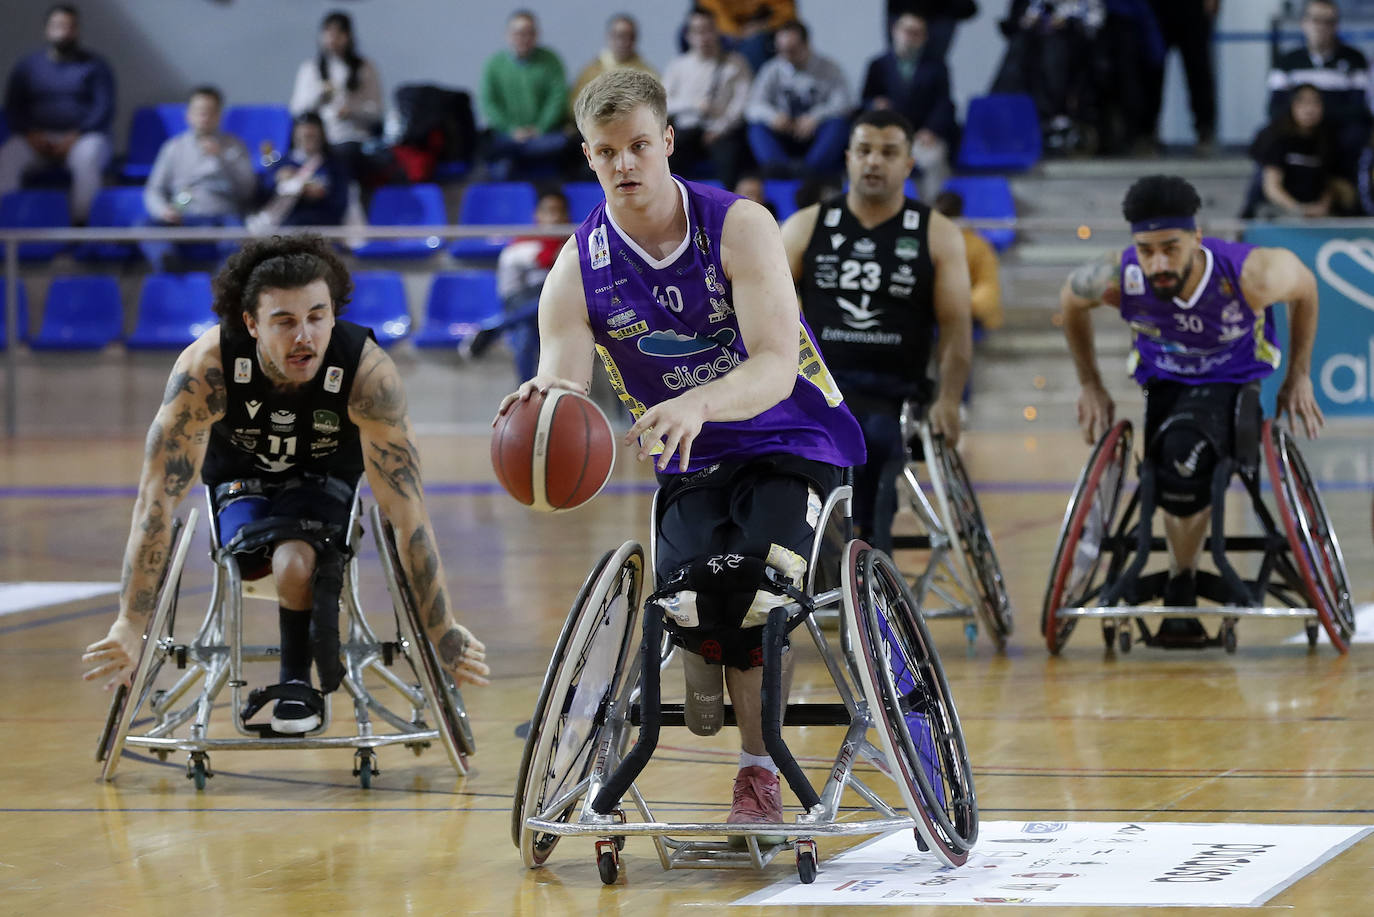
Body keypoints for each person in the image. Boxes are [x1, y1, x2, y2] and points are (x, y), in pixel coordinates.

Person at [494, 70, 864, 839]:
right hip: (688, 459)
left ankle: (758, 769)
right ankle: (708, 640)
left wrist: (699, 400)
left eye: (637, 145)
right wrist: (544, 403)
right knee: (693, 601)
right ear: (588, 158)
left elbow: (772, 361)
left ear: (666, 141)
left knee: (761, 595)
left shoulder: (739, 225)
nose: (624, 164)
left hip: (791, 436)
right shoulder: (576, 266)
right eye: (605, 152)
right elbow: (564, 368)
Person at [81, 234, 489, 732]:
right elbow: (156, 503)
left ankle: (296, 681)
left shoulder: (365, 372)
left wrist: (441, 627)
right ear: (250, 323)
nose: (305, 336)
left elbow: (407, 514)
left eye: (318, 316)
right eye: (285, 321)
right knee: (271, 549)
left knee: (296, 557)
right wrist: (130, 623)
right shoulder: (207, 367)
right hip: (240, 483)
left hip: (325, 481)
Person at [1060, 174, 1324, 642]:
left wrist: (1297, 375)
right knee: (1164, 469)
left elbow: (1306, 289)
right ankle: (1183, 573)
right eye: (1146, 249)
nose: (1158, 262)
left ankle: (1181, 577)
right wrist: (1090, 384)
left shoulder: (1251, 275)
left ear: (1197, 238)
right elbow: (1070, 301)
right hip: (1163, 380)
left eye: (1171, 247)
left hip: (1234, 379)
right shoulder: (1117, 277)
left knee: (1185, 468)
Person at [780, 109, 972, 555]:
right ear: (848, 158)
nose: (873, 162)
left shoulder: (936, 233)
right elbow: (761, 310)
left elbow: (957, 327)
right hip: (817, 386)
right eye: (864, 151)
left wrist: (948, 399)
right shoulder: (807, 225)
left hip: (895, 391)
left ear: (908, 164)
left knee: (874, 439)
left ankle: (865, 555)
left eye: (888, 153)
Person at [0, 4, 114, 223]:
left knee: (88, 159)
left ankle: (81, 228)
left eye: (69, 26)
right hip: (34, 137)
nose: (63, 31)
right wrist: (31, 134)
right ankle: (7, 224)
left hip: (83, 137)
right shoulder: (27, 66)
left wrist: (76, 135)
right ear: (47, 30)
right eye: (58, 26)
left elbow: (104, 108)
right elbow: (13, 108)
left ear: (77, 30)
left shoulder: (96, 66)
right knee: (6, 158)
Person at [140, 86, 257, 271]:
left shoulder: (234, 146)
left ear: (219, 115)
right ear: (188, 115)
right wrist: (163, 210)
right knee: (144, 225)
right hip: (183, 215)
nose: (205, 117)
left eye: (210, 112)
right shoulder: (173, 148)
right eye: (199, 112)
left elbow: (247, 191)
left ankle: (226, 278)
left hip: (223, 215)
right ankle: (169, 264)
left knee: (239, 233)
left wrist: (223, 159)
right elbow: (154, 189)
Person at [467, 188, 573, 381]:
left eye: (560, 212)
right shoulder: (523, 241)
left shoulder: (571, 242)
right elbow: (544, 259)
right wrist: (558, 243)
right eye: (549, 211)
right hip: (519, 300)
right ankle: (526, 397)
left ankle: (495, 328)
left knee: (550, 301)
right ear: (537, 215)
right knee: (526, 332)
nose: (555, 218)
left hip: (554, 304)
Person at [1268, 0, 1372, 179]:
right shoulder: (1287, 61)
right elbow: (1274, 108)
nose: (1322, 27)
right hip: (1298, 127)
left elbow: (1359, 108)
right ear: (1303, 23)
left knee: (1356, 135)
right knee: (1269, 137)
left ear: (1337, 25)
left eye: (1329, 21)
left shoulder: (1355, 59)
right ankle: (1261, 199)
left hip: (1339, 129)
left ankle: (1352, 198)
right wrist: (1306, 118)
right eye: (1316, 20)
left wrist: (1317, 113)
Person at [861, 12, 957, 200]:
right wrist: (874, 104)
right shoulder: (878, 65)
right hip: (887, 136)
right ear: (895, 31)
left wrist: (931, 130)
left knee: (933, 160)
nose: (911, 37)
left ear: (925, 37)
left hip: (923, 135)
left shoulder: (937, 67)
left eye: (917, 33)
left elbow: (944, 103)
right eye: (907, 31)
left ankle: (933, 215)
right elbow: (864, 100)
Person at [745, 19, 853, 180]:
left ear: (806, 44)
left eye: (792, 50)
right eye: (781, 50)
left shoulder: (829, 68)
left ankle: (810, 172)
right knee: (756, 129)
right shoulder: (771, 69)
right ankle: (778, 170)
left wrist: (816, 117)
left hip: (815, 135)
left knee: (838, 125)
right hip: (784, 132)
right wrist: (773, 117)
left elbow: (844, 103)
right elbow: (752, 106)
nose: (786, 55)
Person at [288, 10, 385, 186]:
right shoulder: (310, 68)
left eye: (339, 33)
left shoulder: (365, 68)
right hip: (317, 138)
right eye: (328, 32)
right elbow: (297, 110)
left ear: (348, 36)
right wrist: (319, 95)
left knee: (341, 155)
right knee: (290, 161)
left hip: (352, 137)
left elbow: (376, 111)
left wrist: (351, 111)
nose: (333, 38)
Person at [663, 6, 752, 188]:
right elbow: (663, 103)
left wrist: (720, 128)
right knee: (666, 156)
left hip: (722, 131)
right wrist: (693, 104)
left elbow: (741, 104)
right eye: (697, 31)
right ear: (688, 36)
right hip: (687, 128)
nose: (703, 37)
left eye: (708, 30)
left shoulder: (736, 63)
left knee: (732, 160)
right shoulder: (678, 66)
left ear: (717, 31)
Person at [478, 10, 569, 181]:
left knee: (562, 145)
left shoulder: (551, 61)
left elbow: (558, 98)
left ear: (536, 35)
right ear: (508, 35)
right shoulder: (494, 65)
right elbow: (489, 102)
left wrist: (540, 128)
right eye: (518, 33)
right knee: (499, 160)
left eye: (528, 33)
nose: (523, 38)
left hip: (544, 135)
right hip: (507, 136)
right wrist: (511, 130)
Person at [1243, 84, 1355, 220]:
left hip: (1315, 206)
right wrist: (1298, 210)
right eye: (1302, 102)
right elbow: (1272, 187)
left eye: (1315, 103)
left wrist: (1322, 207)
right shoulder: (1275, 135)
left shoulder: (1327, 137)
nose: (1309, 109)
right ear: (1292, 106)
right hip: (1280, 207)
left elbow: (1329, 180)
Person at [1142, 0, 1218, 156]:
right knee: (1152, 71)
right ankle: (1147, 132)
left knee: (1198, 69)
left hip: (1192, 7)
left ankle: (1205, 131)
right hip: (1158, 8)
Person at [250, 113, 349, 232]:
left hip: (322, 228)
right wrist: (276, 179)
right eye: (303, 134)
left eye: (312, 135)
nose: (307, 135)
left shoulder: (333, 166)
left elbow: (340, 202)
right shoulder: (281, 164)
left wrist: (320, 195)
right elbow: (260, 194)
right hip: (286, 228)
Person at [933, 190, 1004, 334]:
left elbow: (988, 286)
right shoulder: (920, 242)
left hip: (965, 314)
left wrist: (963, 305)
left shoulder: (978, 245)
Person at [570, 14, 657, 106]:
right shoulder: (590, 73)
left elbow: (658, 107)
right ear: (608, 37)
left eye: (630, 36)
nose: (624, 41)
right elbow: (575, 105)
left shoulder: (648, 74)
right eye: (619, 36)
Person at [695, 0, 797, 72]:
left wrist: (763, 26)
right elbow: (712, 12)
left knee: (755, 45)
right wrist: (740, 32)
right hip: (727, 32)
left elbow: (787, 13)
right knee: (692, 33)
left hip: (762, 32)